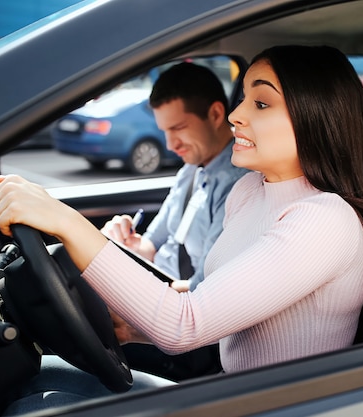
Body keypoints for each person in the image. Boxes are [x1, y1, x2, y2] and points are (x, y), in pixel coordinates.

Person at [0, 44, 363, 412]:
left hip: (272, 406)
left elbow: (186, 324)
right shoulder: (252, 191)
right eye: (244, 99)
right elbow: (211, 298)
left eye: (262, 104)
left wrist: (66, 222)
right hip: (229, 391)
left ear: (316, 116)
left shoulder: (325, 220)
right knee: (37, 382)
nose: (235, 115)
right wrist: (132, 327)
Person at [101, 62, 248, 381]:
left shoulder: (238, 185)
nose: (170, 144)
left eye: (179, 128)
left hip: (188, 334)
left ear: (215, 114)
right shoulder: (191, 171)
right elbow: (151, 245)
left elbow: (204, 293)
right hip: (163, 297)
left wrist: (134, 303)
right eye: (165, 131)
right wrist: (127, 244)